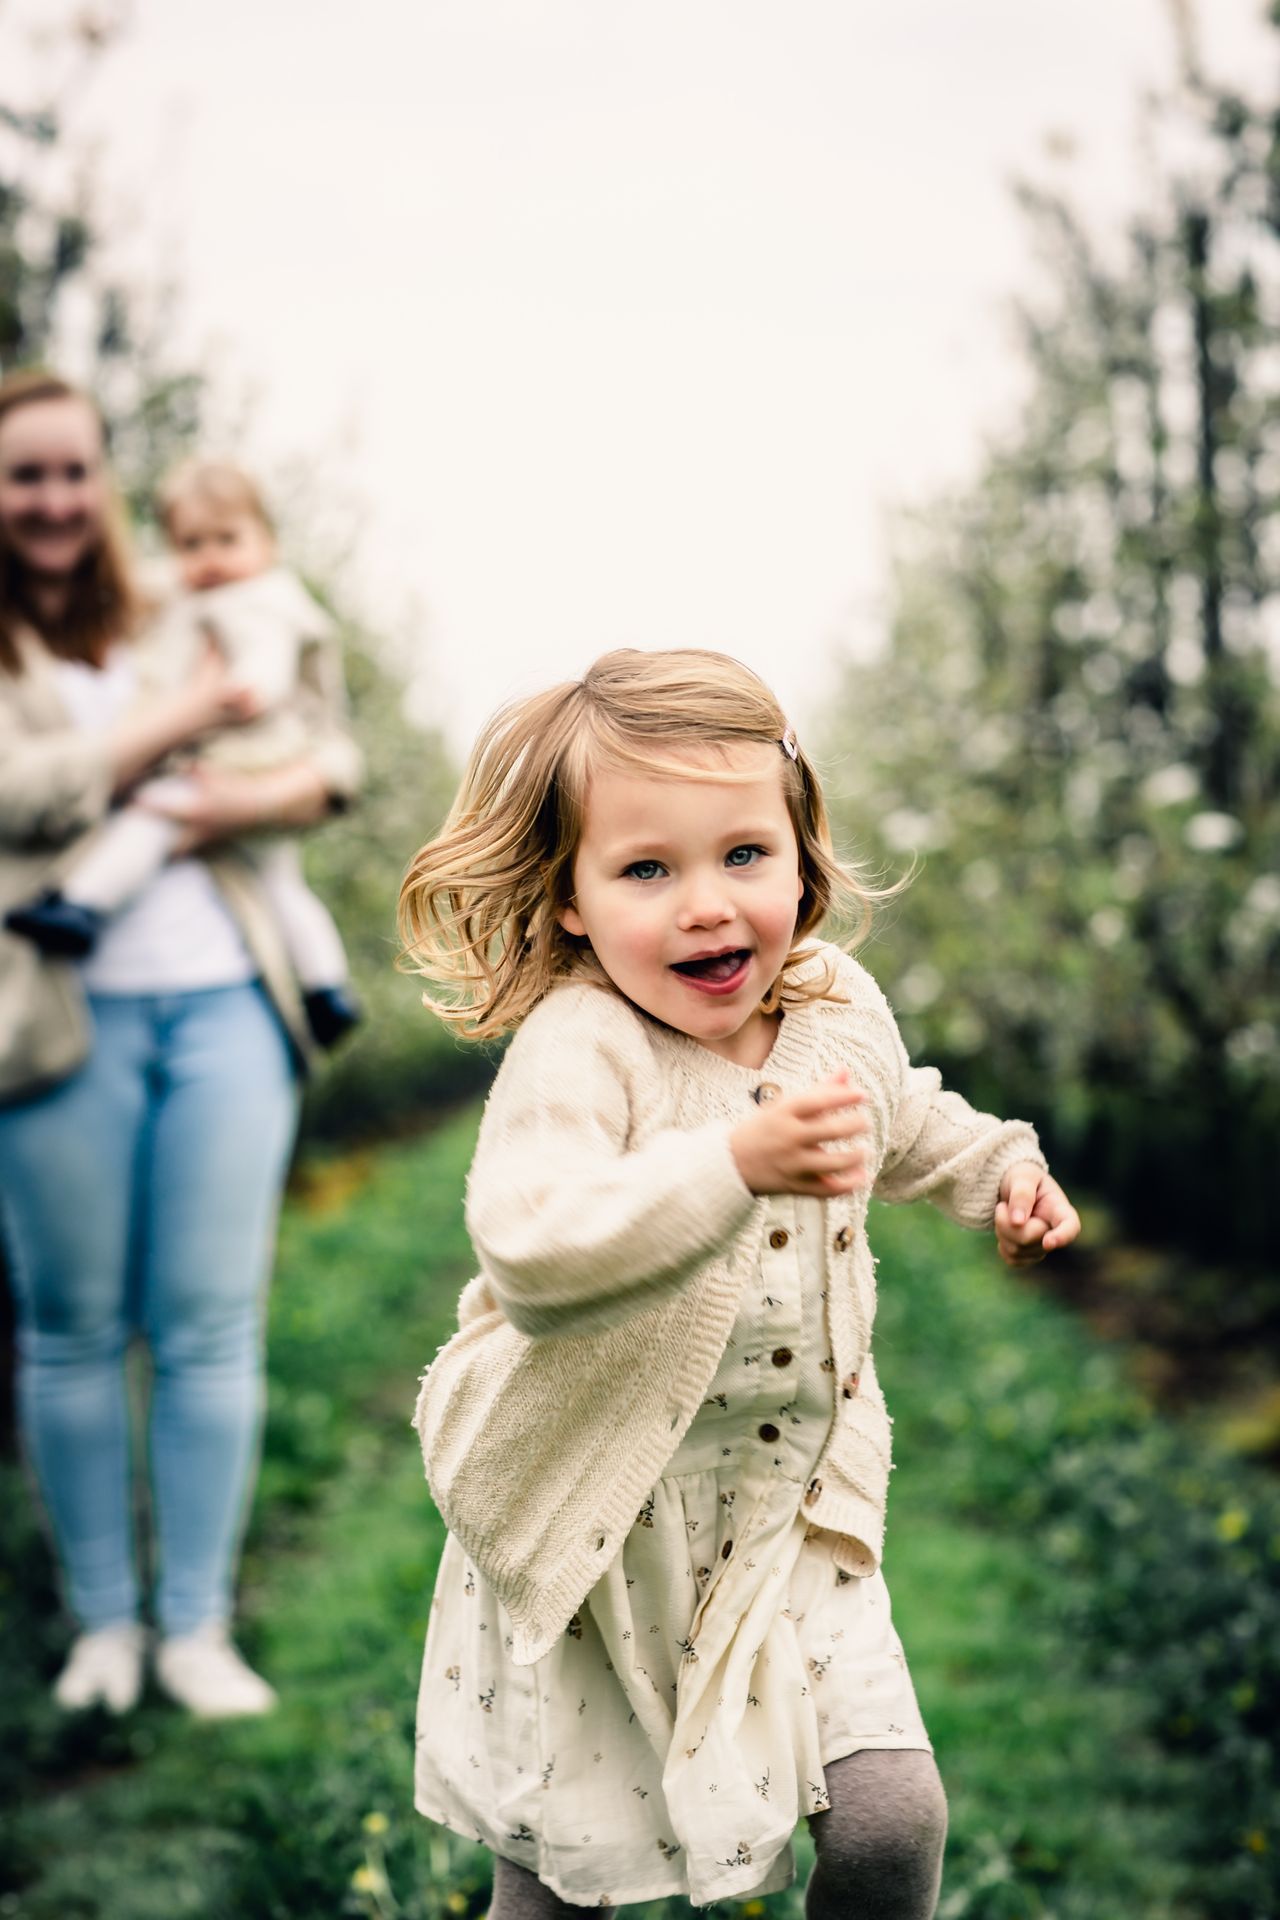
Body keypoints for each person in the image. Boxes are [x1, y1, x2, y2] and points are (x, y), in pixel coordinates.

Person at [398, 648, 1081, 1919]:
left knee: (887, 1825)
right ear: (568, 901)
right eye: (647, 869)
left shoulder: (832, 1004)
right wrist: (728, 1164)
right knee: (559, 1881)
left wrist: (997, 1168)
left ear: (801, 856)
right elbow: (534, 1249)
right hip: (596, 1529)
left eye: (742, 855)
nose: (706, 904)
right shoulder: (582, 1046)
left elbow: (892, 1115)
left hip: (785, 1514)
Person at [0, 368, 361, 1717]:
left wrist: (240, 796)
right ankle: (104, 1624)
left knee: (210, 1327)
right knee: (73, 1329)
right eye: (21, 474)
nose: (48, 499)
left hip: (226, 1000)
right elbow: (23, 800)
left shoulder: (182, 604)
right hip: (53, 1020)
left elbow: (332, 757)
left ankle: (195, 1628)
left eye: (69, 471)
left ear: (104, 483)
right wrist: (180, 730)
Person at [5, 456, 360, 1049]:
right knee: (282, 887)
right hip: (256, 762)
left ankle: (79, 904)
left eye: (227, 540)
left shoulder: (260, 597)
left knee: (151, 818)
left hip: (240, 756)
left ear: (266, 540)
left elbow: (268, 655)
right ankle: (326, 987)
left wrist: (249, 688)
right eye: (192, 544)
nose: (210, 559)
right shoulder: (199, 592)